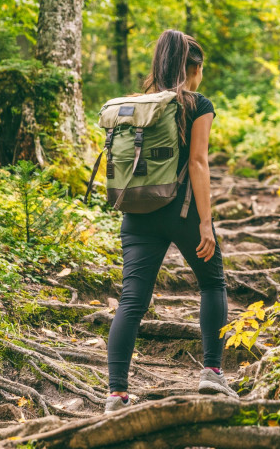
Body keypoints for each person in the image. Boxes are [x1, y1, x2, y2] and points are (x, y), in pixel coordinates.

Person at [105, 29, 238, 413]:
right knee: (213, 284)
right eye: (201, 69)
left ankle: (116, 394)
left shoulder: (138, 104)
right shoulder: (197, 103)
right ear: (192, 67)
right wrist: (205, 222)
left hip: (137, 213)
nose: (202, 77)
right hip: (182, 212)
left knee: (131, 300)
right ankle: (212, 372)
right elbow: (197, 162)